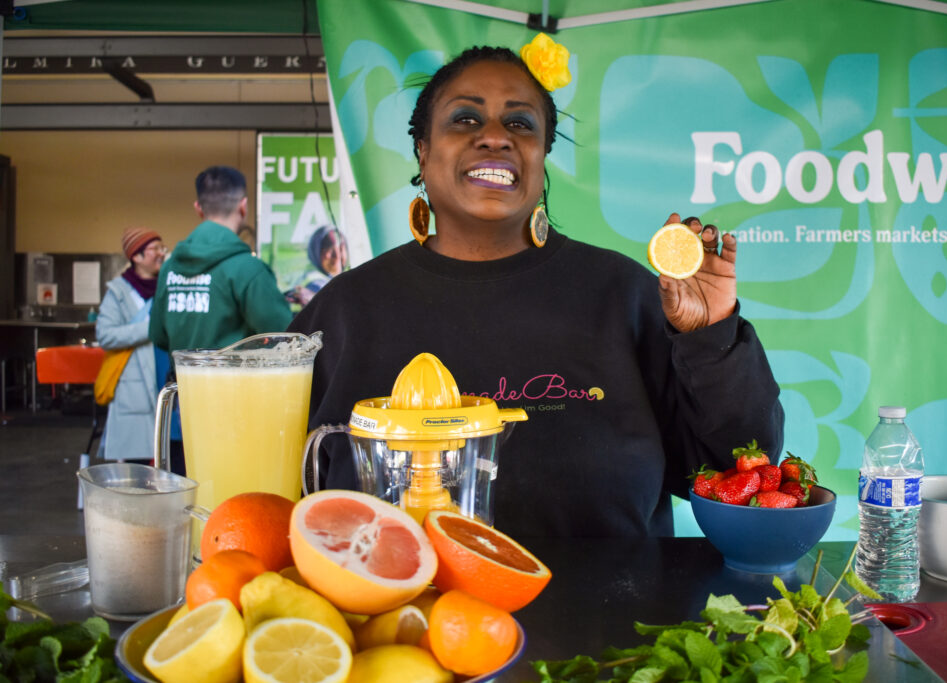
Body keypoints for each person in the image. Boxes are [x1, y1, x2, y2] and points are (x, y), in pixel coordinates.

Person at [288, 41, 784, 538]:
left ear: (542, 154)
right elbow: (274, 499)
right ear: (423, 149)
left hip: (612, 615)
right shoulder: (341, 314)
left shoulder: (625, 296)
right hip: (409, 616)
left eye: (520, 124)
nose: (495, 138)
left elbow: (737, 468)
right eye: (464, 119)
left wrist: (710, 337)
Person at [150, 165, 293, 473]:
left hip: (185, 406)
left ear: (198, 208)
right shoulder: (246, 269)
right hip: (239, 408)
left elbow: (159, 335)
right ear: (243, 206)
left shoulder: (170, 268)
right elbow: (285, 337)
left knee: (192, 488)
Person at [95, 227, 166, 463]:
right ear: (136, 256)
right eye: (154, 249)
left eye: (161, 247)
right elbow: (105, 335)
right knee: (137, 468)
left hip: (163, 377)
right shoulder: (118, 292)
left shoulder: (167, 287)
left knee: (166, 456)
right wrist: (151, 327)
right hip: (133, 388)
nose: (160, 253)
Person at [288, 225, 349, 307]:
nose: (337, 255)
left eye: (341, 248)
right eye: (329, 248)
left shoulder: (337, 279)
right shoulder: (315, 283)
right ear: (315, 251)